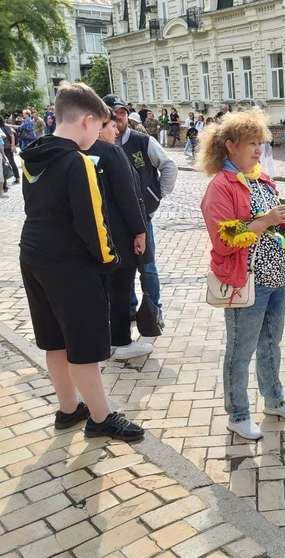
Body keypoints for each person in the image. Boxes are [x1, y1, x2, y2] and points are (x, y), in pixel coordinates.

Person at [19, 82, 144, 441]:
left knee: (54, 340)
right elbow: (93, 222)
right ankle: (101, 418)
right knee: (84, 346)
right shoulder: (77, 162)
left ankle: (68, 409)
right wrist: (110, 262)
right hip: (70, 264)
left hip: (33, 255)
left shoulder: (33, 155)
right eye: (101, 125)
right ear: (88, 121)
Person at [198, 109, 285, 439]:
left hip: (275, 277)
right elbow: (225, 239)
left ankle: (273, 400)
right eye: (251, 143)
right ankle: (238, 413)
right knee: (240, 350)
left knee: (271, 344)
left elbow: (274, 221)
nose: (258, 150)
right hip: (246, 280)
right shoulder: (221, 186)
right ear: (230, 146)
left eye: (260, 143)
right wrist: (269, 219)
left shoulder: (261, 178)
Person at [104, 95, 177, 321]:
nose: (119, 117)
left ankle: (153, 310)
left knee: (147, 267)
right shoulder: (99, 146)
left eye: (122, 112)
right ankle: (129, 307)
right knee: (119, 266)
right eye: (114, 113)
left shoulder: (142, 141)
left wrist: (156, 197)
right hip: (113, 221)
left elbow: (169, 166)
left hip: (141, 217)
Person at [89, 108, 153, 360]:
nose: (115, 130)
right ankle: (120, 341)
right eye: (110, 126)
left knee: (101, 291)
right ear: (97, 127)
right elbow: (128, 197)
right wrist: (140, 230)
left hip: (92, 235)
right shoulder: (111, 152)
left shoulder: (77, 151)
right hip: (118, 235)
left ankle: (103, 339)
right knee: (121, 290)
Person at [1, 117, 20, 184]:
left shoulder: (5, 126)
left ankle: (17, 178)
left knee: (11, 162)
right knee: (3, 164)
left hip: (7, 147)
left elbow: (12, 135)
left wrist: (13, 146)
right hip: (3, 148)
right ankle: (4, 181)